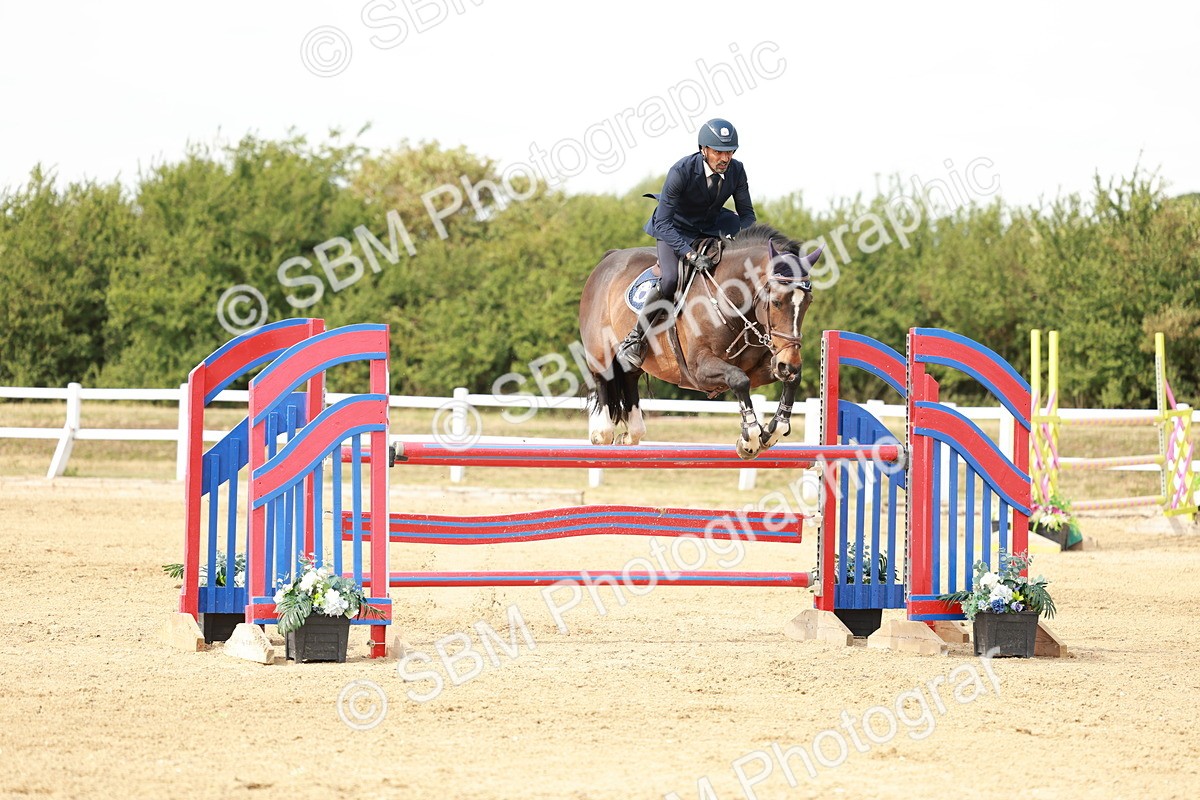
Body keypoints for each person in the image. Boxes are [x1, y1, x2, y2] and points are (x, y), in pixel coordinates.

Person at [616, 117, 758, 370]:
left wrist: (743, 240)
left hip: (711, 227)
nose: (725, 158)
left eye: (729, 151)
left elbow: (746, 214)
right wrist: (689, 255)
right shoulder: (681, 171)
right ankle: (635, 339)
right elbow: (663, 222)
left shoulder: (737, 170)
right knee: (670, 278)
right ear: (704, 150)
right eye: (718, 152)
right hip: (674, 229)